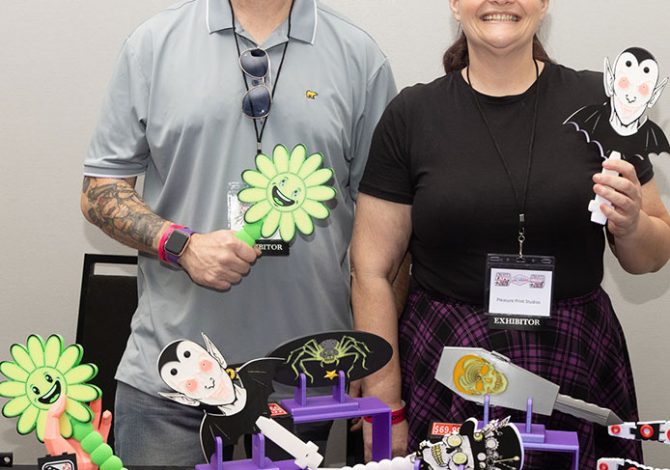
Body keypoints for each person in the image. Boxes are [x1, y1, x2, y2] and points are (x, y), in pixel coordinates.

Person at [351, 0, 670, 468]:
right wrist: (385, 404)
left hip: (573, 356)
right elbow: (371, 270)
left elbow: (651, 256)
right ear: (455, 5)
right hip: (446, 363)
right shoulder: (412, 114)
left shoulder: (604, 107)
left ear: (543, 5)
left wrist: (633, 223)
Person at [80, 0, 396, 466]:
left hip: (306, 377)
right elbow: (100, 191)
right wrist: (181, 245)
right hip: (172, 378)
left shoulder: (359, 57)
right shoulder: (153, 45)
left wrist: (375, 362)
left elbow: (388, 229)